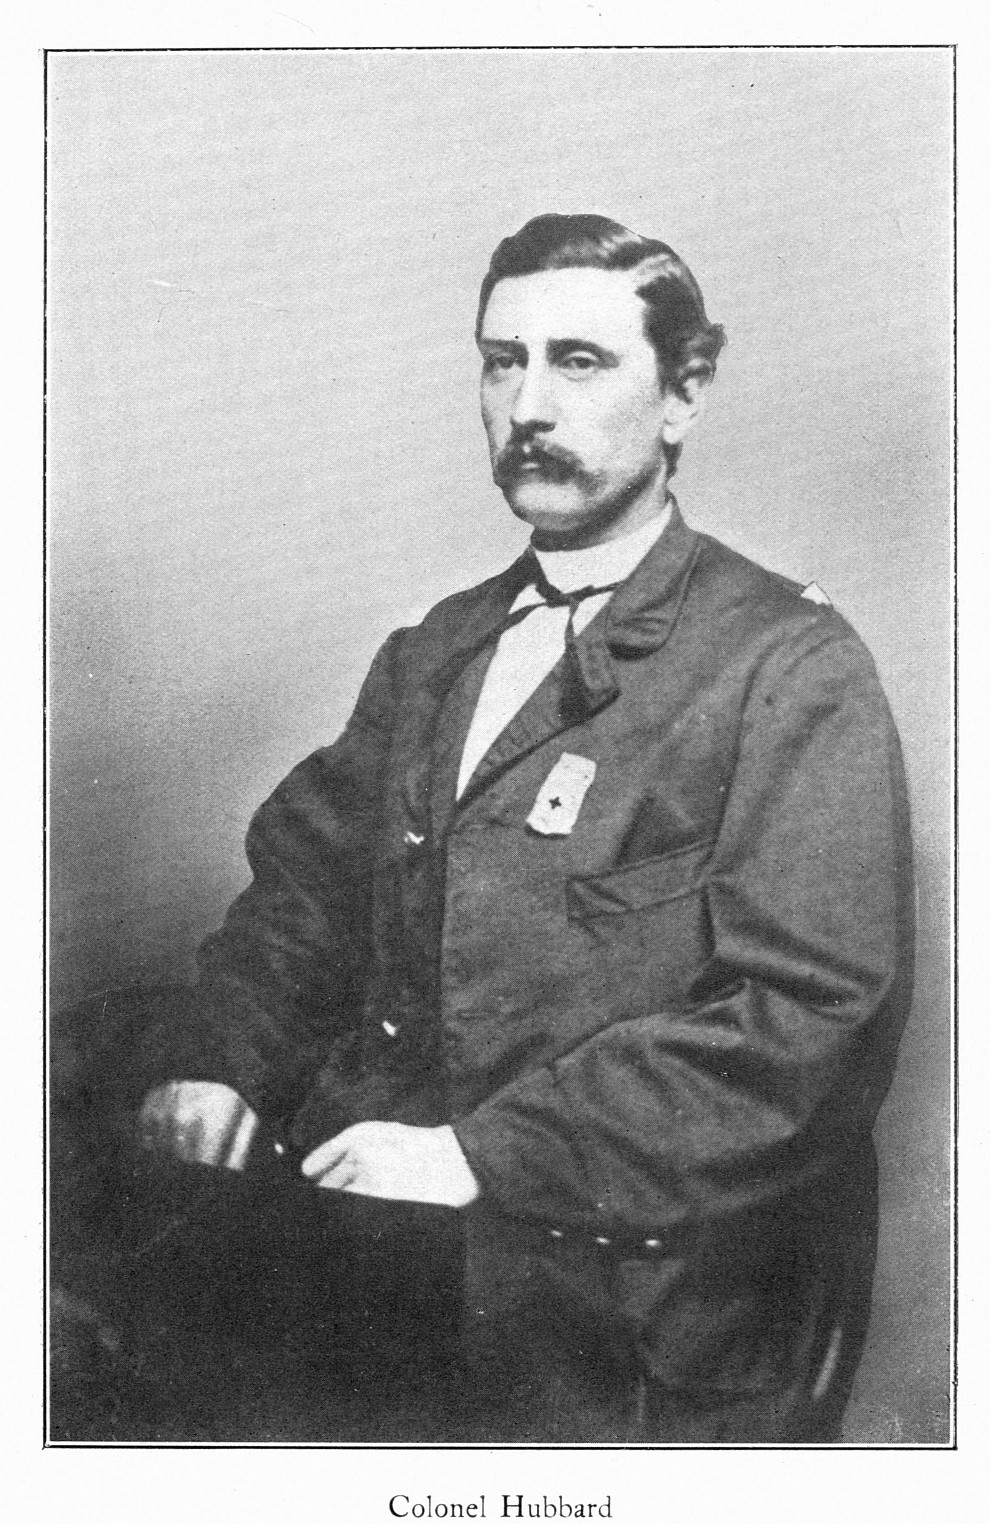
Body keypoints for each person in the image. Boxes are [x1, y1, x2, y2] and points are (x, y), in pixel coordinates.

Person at [106, 214, 914, 1442]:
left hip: (624, 1338)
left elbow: (808, 1025)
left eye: (579, 362)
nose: (528, 405)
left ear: (685, 391)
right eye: (502, 361)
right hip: (379, 1280)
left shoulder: (786, 668)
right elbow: (306, 897)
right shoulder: (439, 650)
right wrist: (225, 1058)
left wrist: (483, 1155)